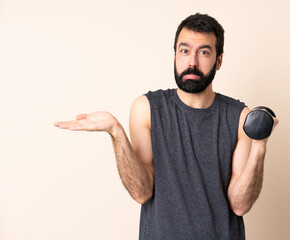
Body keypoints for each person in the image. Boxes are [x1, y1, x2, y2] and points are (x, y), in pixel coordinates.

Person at [54, 13, 278, 240]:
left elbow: (240, 205)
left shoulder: (239, 117)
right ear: (174, 56)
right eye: (184, 51)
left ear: (218, 61)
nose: (192, 62)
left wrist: (260, 145)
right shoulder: (147, 109)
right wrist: (116, 132)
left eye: (203, 52)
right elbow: (141, 192)